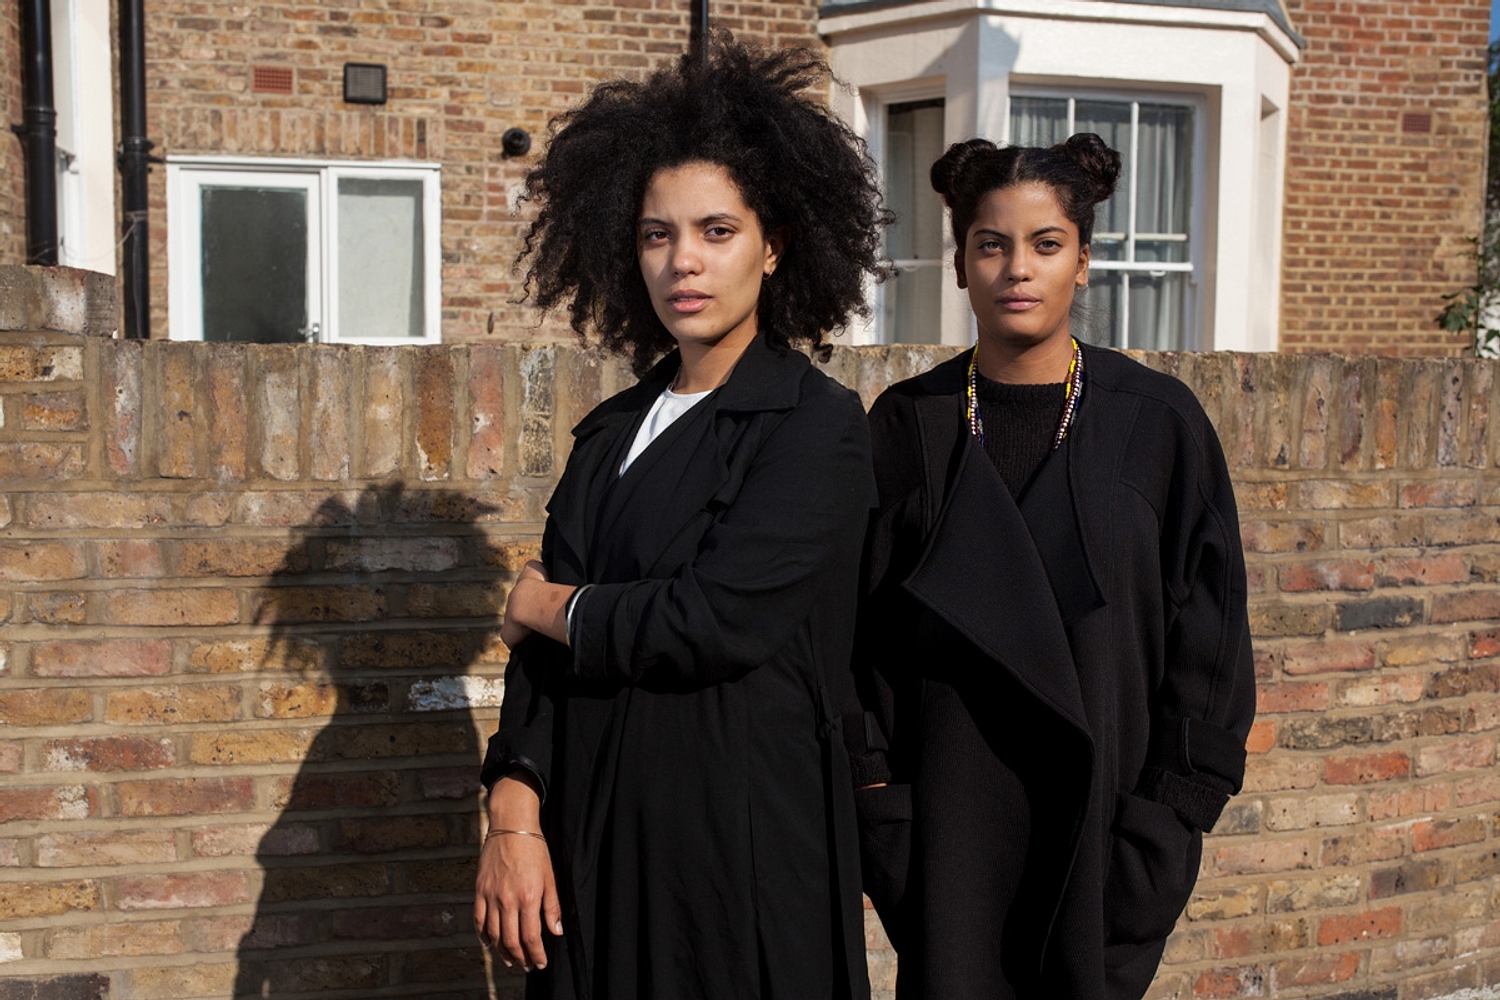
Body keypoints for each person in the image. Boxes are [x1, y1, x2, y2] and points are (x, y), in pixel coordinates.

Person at [474, 38, 888, 1000]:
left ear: (774, 245)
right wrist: (513, 809)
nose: (683, 262)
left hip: (737, 849)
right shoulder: (611, 430)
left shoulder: (815, 428)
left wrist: (547, 606)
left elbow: (715, 621)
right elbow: (541, 670)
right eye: (658, 235)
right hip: (589, 841)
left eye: (716, 230)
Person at [844, 133, 1256, 999]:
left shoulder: (1157, 425)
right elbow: (855, 641)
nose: (1016, 270)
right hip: (951, 853)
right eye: (991, 245)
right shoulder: (906, 427)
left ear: (1085, 261)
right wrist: (881, 804)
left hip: (1105, 847)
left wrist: (1166, 826)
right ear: (959, 264)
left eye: (1045, 244)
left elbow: (1210, 648)